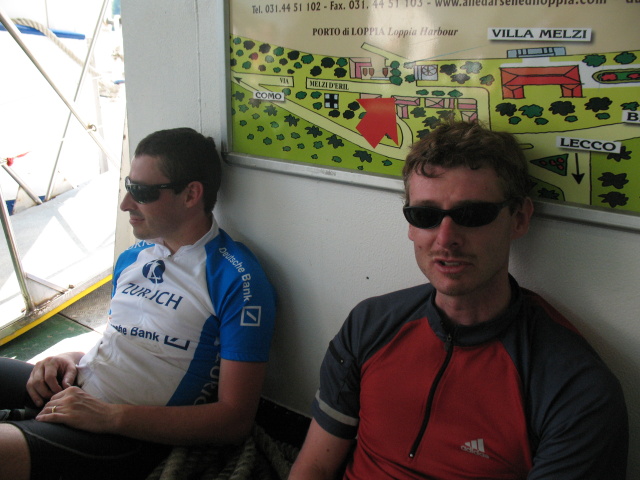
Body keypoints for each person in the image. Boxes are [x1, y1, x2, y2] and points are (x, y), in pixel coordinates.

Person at [289, 121, 628, 480]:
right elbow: (316, 465)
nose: (445, 238)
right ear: (411, 225)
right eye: (426, 215)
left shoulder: (574, 387)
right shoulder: (369, 324)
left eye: (471, 215)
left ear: (519, 218)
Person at [0, 127, 276, 480]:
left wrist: (109, 417)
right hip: (76, 389)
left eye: (142, 192)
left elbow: (234, 420)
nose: (126, 204)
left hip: (125, 433)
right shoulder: (132, 257)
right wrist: (69, 359)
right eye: (129, 186)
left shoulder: (237, 279)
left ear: (191, 194)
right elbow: (125, 339)